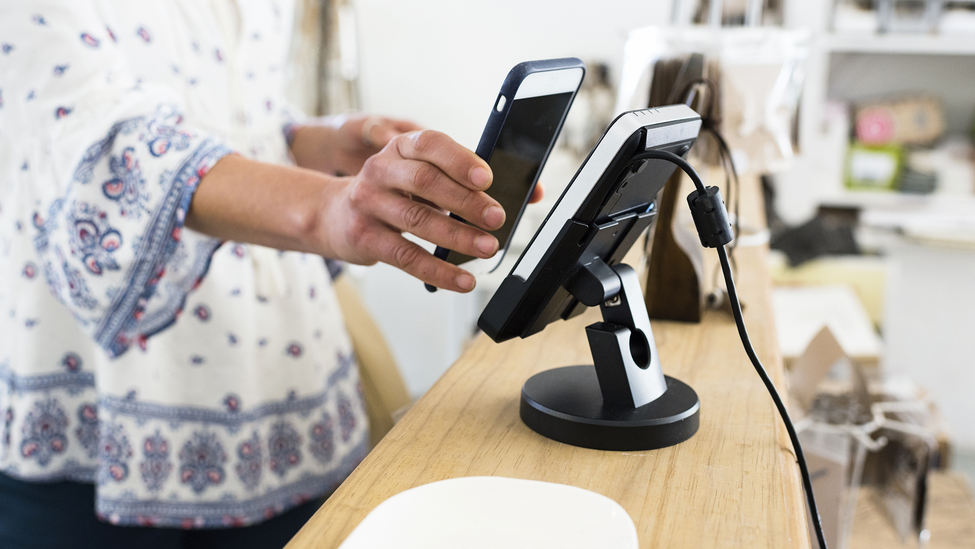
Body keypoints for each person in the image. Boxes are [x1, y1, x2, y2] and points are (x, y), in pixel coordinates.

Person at [0, 1, 528, 547]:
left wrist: (318, 140)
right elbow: (109, 147)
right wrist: (325, 207)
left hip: (280, 391)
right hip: (103, 415)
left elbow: (230, 103)